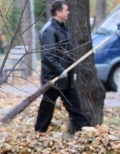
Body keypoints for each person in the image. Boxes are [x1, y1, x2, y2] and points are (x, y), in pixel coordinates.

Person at [36, 1, 89, 133]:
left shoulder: (62, 28)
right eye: (66, 10)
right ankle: (38, 133)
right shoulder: (49, 30)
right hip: (54, 79)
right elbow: (48, 55)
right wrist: (61, 70)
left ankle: (87, 133)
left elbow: (67, 52)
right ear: (58, 12)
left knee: (75, 108)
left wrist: (69, 72)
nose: (68, 12)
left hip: (66, 79)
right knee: (46, 109)